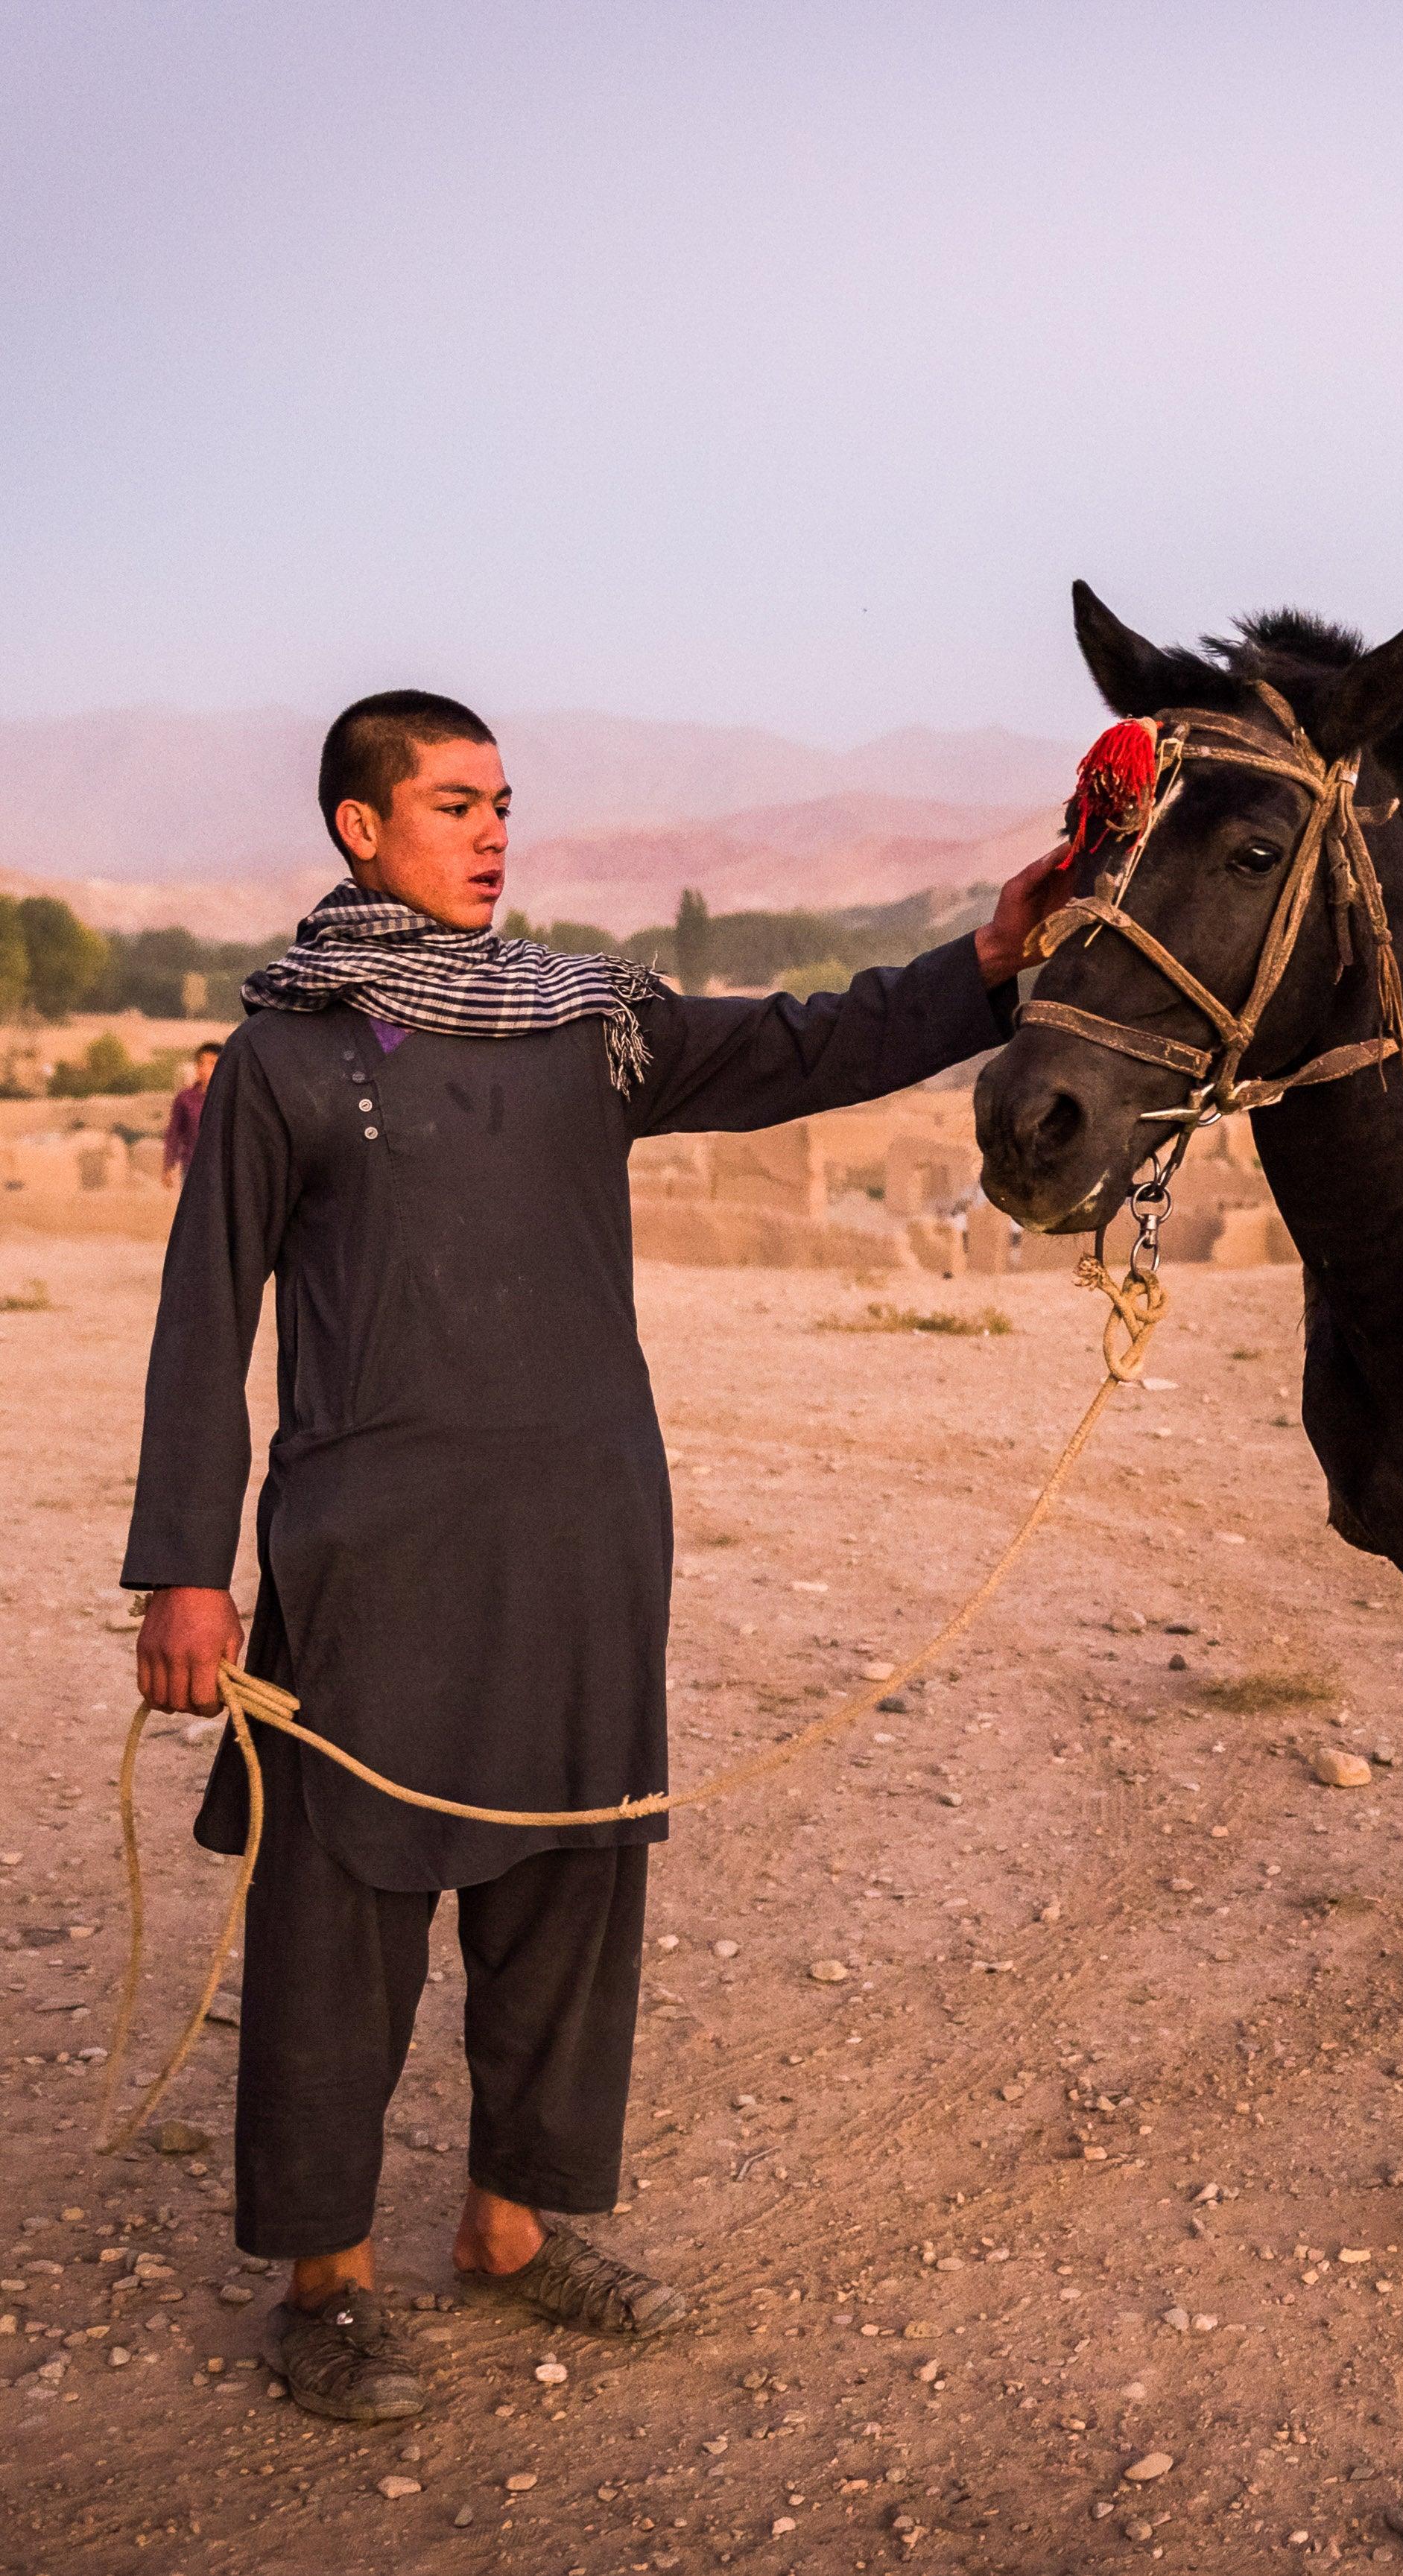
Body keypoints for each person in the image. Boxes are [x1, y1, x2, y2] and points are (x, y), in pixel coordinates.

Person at [124, 688, 1070, 2422]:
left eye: (506, 804)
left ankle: (511, 2227)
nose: (494, 832)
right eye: (455, 805)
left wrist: (988, 963)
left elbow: (809, 1043)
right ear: (360, 828)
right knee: (341, 1907)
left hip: (583, 1536)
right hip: (368, 1556)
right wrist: (184, 1565)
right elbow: (205, 1325)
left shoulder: (588, 1025)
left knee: (568, 1882)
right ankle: (322, 2280)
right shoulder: (285, 1057)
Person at [162, 1040, 225, 1183]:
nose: (204, 1069)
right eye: (201, 1064)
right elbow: (174, 1133)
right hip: (192, 1168)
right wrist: (169, 1166)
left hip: (224, 1171)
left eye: (212, 1064)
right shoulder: (185, 1099)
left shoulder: (233, 1098)